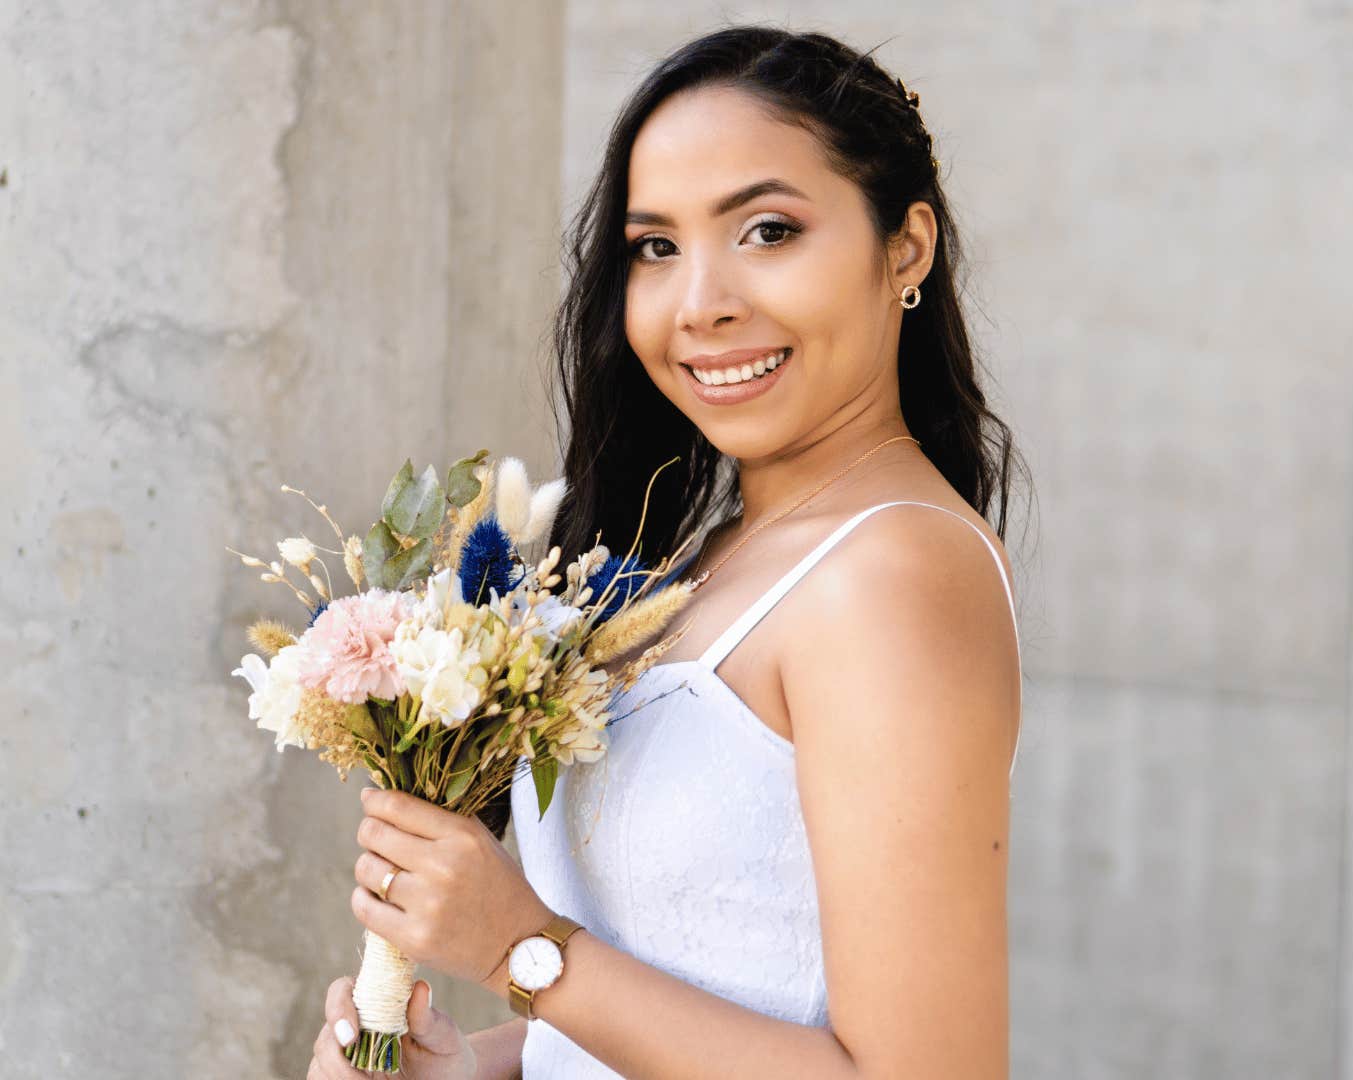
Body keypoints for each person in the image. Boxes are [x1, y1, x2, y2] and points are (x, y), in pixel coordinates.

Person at [306, 24, 1030, 1080]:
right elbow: (709, 973)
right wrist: (476, 1066)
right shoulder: (712, 555)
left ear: (905, 247)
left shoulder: (892, 575)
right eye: (656, 247)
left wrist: (519, 949)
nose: (702, 304)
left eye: (769, 231)